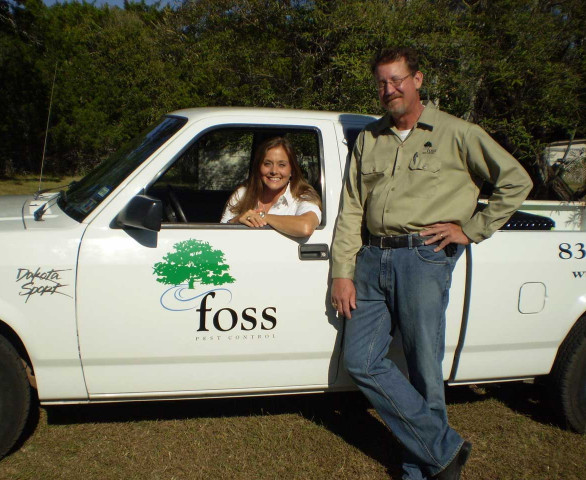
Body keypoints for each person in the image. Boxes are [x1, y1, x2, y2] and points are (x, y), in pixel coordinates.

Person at [330, 47, 532, 480]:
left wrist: (471, 229)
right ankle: (445, 450)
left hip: (424, 256)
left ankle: (419, 471)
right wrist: (342, 272)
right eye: (382, 82)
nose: (390, 89)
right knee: (362, 360)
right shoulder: (369, 138)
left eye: (397, 79)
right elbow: (351, 207)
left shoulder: (457, 132)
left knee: (424, 367)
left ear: (418, 79)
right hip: (370, 257)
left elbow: (515, 180)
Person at [220, 136, 322, 237]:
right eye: (267, 164)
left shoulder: (303, 196)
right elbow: (220, 235)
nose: (274, 171)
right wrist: (237, 220)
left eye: (282, 165)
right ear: (258, 167)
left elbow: (306, 227)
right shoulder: (242, 194)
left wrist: (263, 217)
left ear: (292, 170)